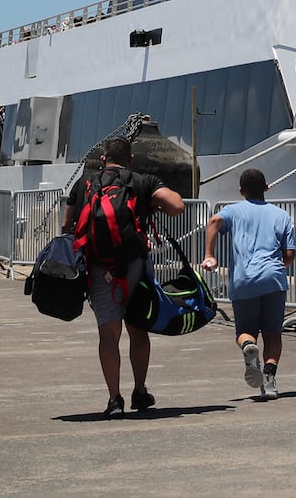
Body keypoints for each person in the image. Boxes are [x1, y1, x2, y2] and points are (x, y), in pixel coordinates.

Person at [61, 137, 184, 418]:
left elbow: (68, 224)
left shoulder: (84, 184)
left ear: (103, 159)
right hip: (134, 266)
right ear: (130, 159)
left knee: (108, 334)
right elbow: (177, 206)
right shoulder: (142, 181)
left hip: (98, 267)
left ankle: (114, 398)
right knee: (138, 330)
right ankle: (140, 391)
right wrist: (153, 207)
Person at [201, 168, 296, 399]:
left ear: (241, 191)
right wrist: (278, 269)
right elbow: (290, 253)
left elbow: (214, 220)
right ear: (266, 187)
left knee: (244, 331)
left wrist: (209, 254)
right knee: (273, 334)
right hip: (274, 279)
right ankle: (270, 382)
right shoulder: (282, 215)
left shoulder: (234, 210)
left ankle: (247, 347)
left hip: (244, 280)